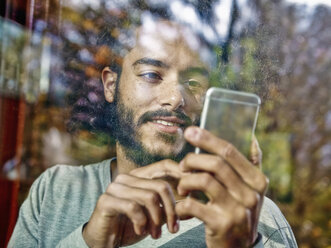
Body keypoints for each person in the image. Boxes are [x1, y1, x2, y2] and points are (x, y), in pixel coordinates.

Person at [8, 18, 297, 248]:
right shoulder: (55, 191)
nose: (175, 98)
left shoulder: (249, 216)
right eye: (151, 75)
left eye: (193, 83)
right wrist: (90, 243)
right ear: (110, 86)